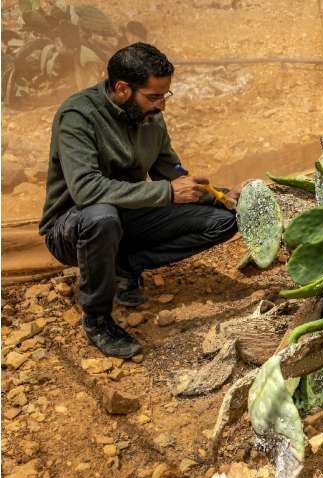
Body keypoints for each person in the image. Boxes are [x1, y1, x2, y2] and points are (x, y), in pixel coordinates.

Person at [39, 42, 243, 359]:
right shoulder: (78, 116)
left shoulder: (150, 118)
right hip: (73, 228)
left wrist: (222, 195)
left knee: (224, 221)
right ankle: (97, 319)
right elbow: (86, 190)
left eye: (165, 95)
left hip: (127, 217)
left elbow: (171, 172)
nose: (162, 105)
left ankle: (123, 266)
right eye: (154, 96)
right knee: (101, 216)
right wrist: (166, 192)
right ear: (122, 88)